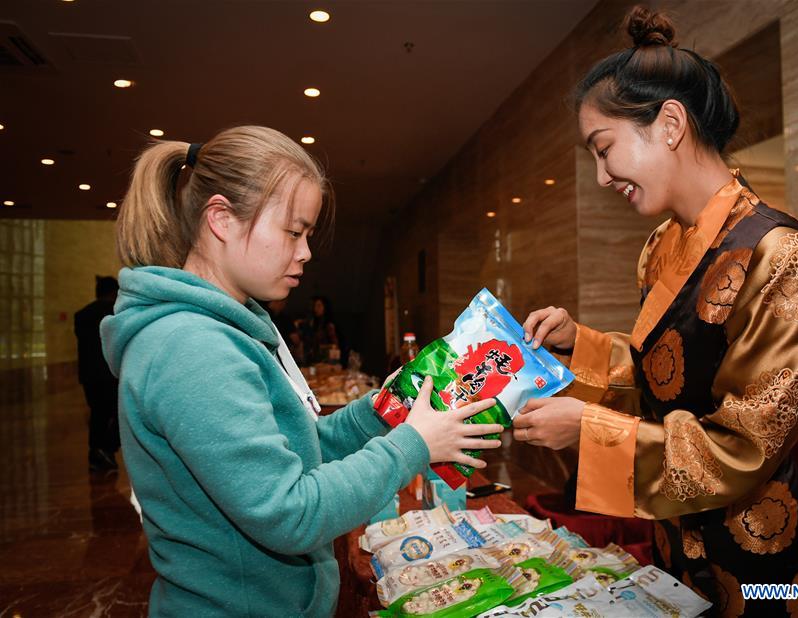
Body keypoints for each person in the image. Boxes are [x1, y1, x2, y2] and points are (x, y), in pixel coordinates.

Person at [99, 126, 503, 617]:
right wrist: (412, 443)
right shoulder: (191, 347)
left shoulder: (223, 329)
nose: (306, 251)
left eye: (307, 234)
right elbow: (290, 512)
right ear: (221, 219)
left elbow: (295, 452)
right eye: (293, 232)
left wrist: (382, 410)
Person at [514, 8, 798, 616]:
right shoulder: (662, 245)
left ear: (668, 123)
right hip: (674, 541)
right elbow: (661, 374)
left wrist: (588, 430)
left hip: (761, 560)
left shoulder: (780, 252)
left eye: (604, 149)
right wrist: (575, 343)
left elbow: (745, 448)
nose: (604, 176)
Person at [74, 275, 120, 472]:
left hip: (88, 376)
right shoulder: (114, 313)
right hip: (110, 374)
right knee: (121, 414)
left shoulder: (81, 315)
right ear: (113, 292)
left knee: (97, 415)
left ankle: (96, 455)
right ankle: (106, 449)